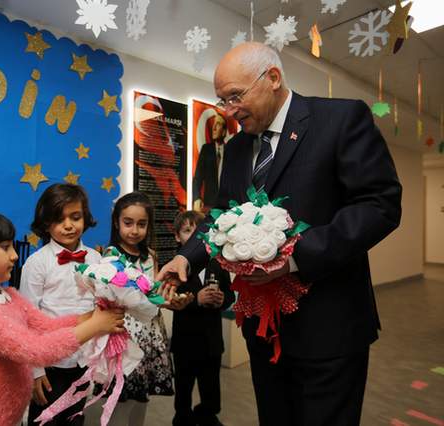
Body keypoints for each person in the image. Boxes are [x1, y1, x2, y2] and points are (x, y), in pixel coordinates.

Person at [158, 42, 402, 426]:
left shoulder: (339, 120)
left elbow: (380, 205)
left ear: (272, 78)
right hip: (264, 329)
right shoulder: (237, 147)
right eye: (221, 100)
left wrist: (294, 259)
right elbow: (222, 215)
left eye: (235, 97)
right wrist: (186, 257)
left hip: (328, 326)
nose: (228, 111)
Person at [0, 206, 125, 426]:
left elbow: (44, 325)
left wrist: (89, 317)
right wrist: (95, 326)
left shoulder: (8, 295)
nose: (15, 255)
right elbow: (38, 350)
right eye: (5, 247)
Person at [103, 192, 191, 426]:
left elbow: (153, 292)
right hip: (124, 336)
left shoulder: (150, 256)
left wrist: (173, 301)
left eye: (141, 224)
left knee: (141, 399)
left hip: (149, 335)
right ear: (116, 222)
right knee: (121, 399)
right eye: (128, 223)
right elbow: (123, 298)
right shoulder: (111, 257)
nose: (134, 230)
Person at [20, 183, 102, 426]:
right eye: (59, 219)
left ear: (85, 218)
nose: (68, 225)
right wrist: (36, 371)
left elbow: (99, 307)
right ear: (46, 223)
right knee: (45, 421)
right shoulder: (37, 263)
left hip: (83, 361)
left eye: (75, 217)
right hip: (50, 365)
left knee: (75, 419)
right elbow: (29, 320)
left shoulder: (96, 259)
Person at [170, 210, 234, 426]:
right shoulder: (175, 267)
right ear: (178, 237)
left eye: (199, 232)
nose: (195, 237)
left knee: (211, 387)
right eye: (188, 231)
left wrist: (222, 299)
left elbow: (230, 295)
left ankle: (207, 413)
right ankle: (183, 416)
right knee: (184, 387)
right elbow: (170, 301)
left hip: (212, 342)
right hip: (185, 341)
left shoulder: (218, 264)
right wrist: (196, 299)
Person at [193, 112, 228, 213]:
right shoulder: (206, 149)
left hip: (227, 206)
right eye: (213, 124)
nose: (214, 128)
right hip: (209, 205)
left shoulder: (230, 151)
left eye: (218, 124)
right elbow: (198, 178)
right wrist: (196, 198)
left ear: (224, 131)